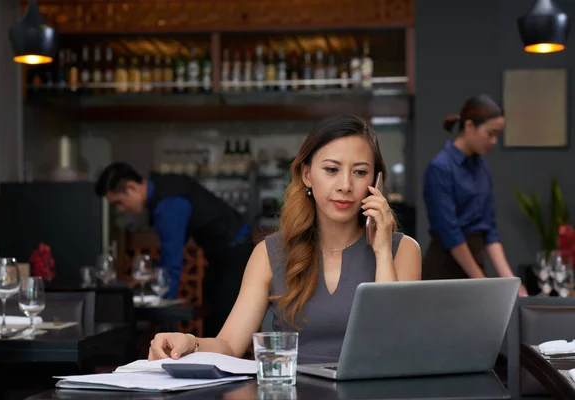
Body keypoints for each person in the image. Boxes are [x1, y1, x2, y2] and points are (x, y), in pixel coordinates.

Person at [148, 115, 422, 363]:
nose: (345, 185)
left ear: (377, 181)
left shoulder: (403, 250)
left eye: (360, 172)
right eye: (331, 169)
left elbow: (395, 346)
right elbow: (230, 344)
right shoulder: (270, 253)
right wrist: (190, 343)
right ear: (306, 175)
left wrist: (383, 252)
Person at [94, 163, 254, 337]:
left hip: (235, 256)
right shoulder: (163, 187)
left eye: (119, 202)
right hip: (222, 255)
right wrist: (152, 276)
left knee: (222, 326)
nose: (120, 209)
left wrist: (164, 308)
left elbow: (172, 264)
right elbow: (169, 256)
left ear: (131, 187)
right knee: (213, 321)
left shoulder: (168, 205)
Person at [422, 94, 528, 297]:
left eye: (498, 135)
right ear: (469, 126)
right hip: (444, 270)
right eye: (491, 133)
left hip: (475, 267)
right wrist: (482, 282)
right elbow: (450, 233)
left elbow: (489, 230)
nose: (494, 141)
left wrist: (511, 282)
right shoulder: (440, 167)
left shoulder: (481, 166)